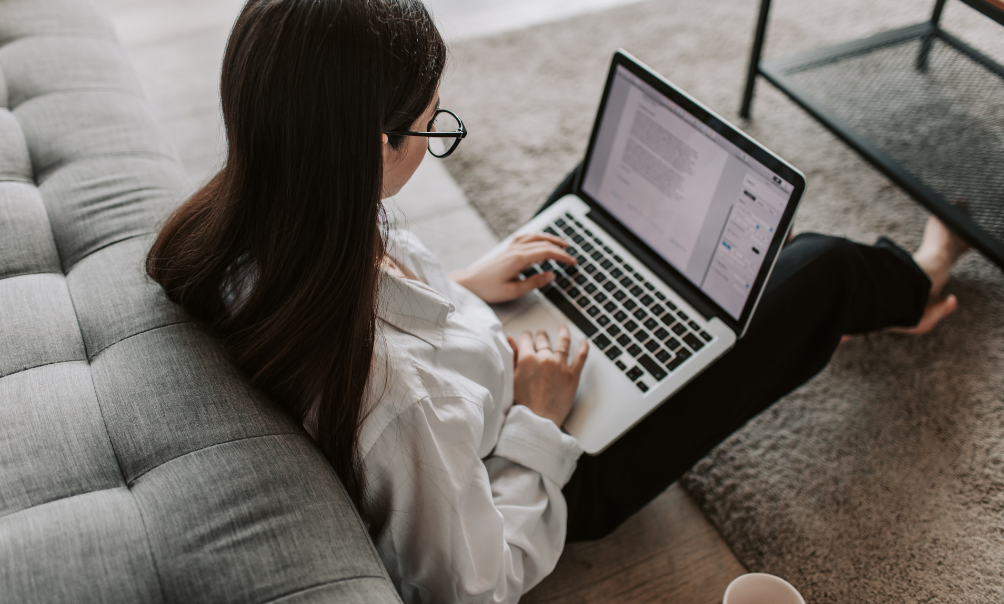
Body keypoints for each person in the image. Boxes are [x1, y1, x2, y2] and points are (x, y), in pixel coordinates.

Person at [146, 0, 970, 602]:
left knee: (595, 202)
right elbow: (477, 583)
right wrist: (538, 418)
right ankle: (918, 278)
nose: (436, 143)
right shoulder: (398, 404)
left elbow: (384, 319)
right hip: (550, 469)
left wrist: (465, 288)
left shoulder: (261, 216)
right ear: (371, 145)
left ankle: (750, 290)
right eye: (433, 131)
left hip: (486, 367)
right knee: (819, 270)